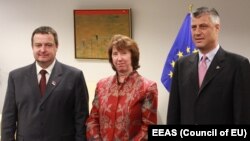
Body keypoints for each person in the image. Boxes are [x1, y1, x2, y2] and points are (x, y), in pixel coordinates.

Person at [1, 26, 89, 141]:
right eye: (38, 45)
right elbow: (8, 118)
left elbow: (81, 119)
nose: (43, 49)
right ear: (32, 47)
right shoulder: (16, 77)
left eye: (48, 45)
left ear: (56, 46)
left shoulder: (74, 76)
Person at [167, 7, 250, 124]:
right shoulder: (181, 65)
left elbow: (243, 116)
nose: (197, 32)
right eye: (193, 27)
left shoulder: (238, 65)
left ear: (217, 28)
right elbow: (173, 113)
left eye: (203, 26)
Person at [86, 34, 158, 140]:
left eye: (124, 53)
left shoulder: (147, 87)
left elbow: (148, 129)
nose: (119, 58)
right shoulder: (102, 85)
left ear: (132, 56)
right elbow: (92, 120)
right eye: (115, 54)